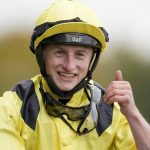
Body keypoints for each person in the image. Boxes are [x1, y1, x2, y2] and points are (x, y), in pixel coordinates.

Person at [0, 0, 150, 150]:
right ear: (42, 55)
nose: (69, 65)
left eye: (80, 55)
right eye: (59, 52)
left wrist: (132, 114)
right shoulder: (11, 107)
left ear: (92, 58)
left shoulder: (112, 112)